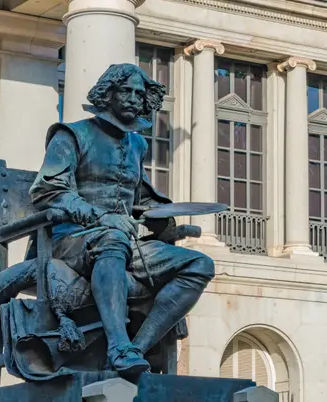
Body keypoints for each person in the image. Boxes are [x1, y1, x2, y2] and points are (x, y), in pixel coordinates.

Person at [29, 63, 215, 376]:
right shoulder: (71, 135)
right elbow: (48, 191)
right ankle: (117, 344)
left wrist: (168, 224)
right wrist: (102, 216)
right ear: (108, 94)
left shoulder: (137, 144)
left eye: (139, 94)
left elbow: (140, 199)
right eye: (125, 91)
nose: (132, 98)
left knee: (200, 265)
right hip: (73, 241)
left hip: (124, 246)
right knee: (112, 239)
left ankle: (134, 350)